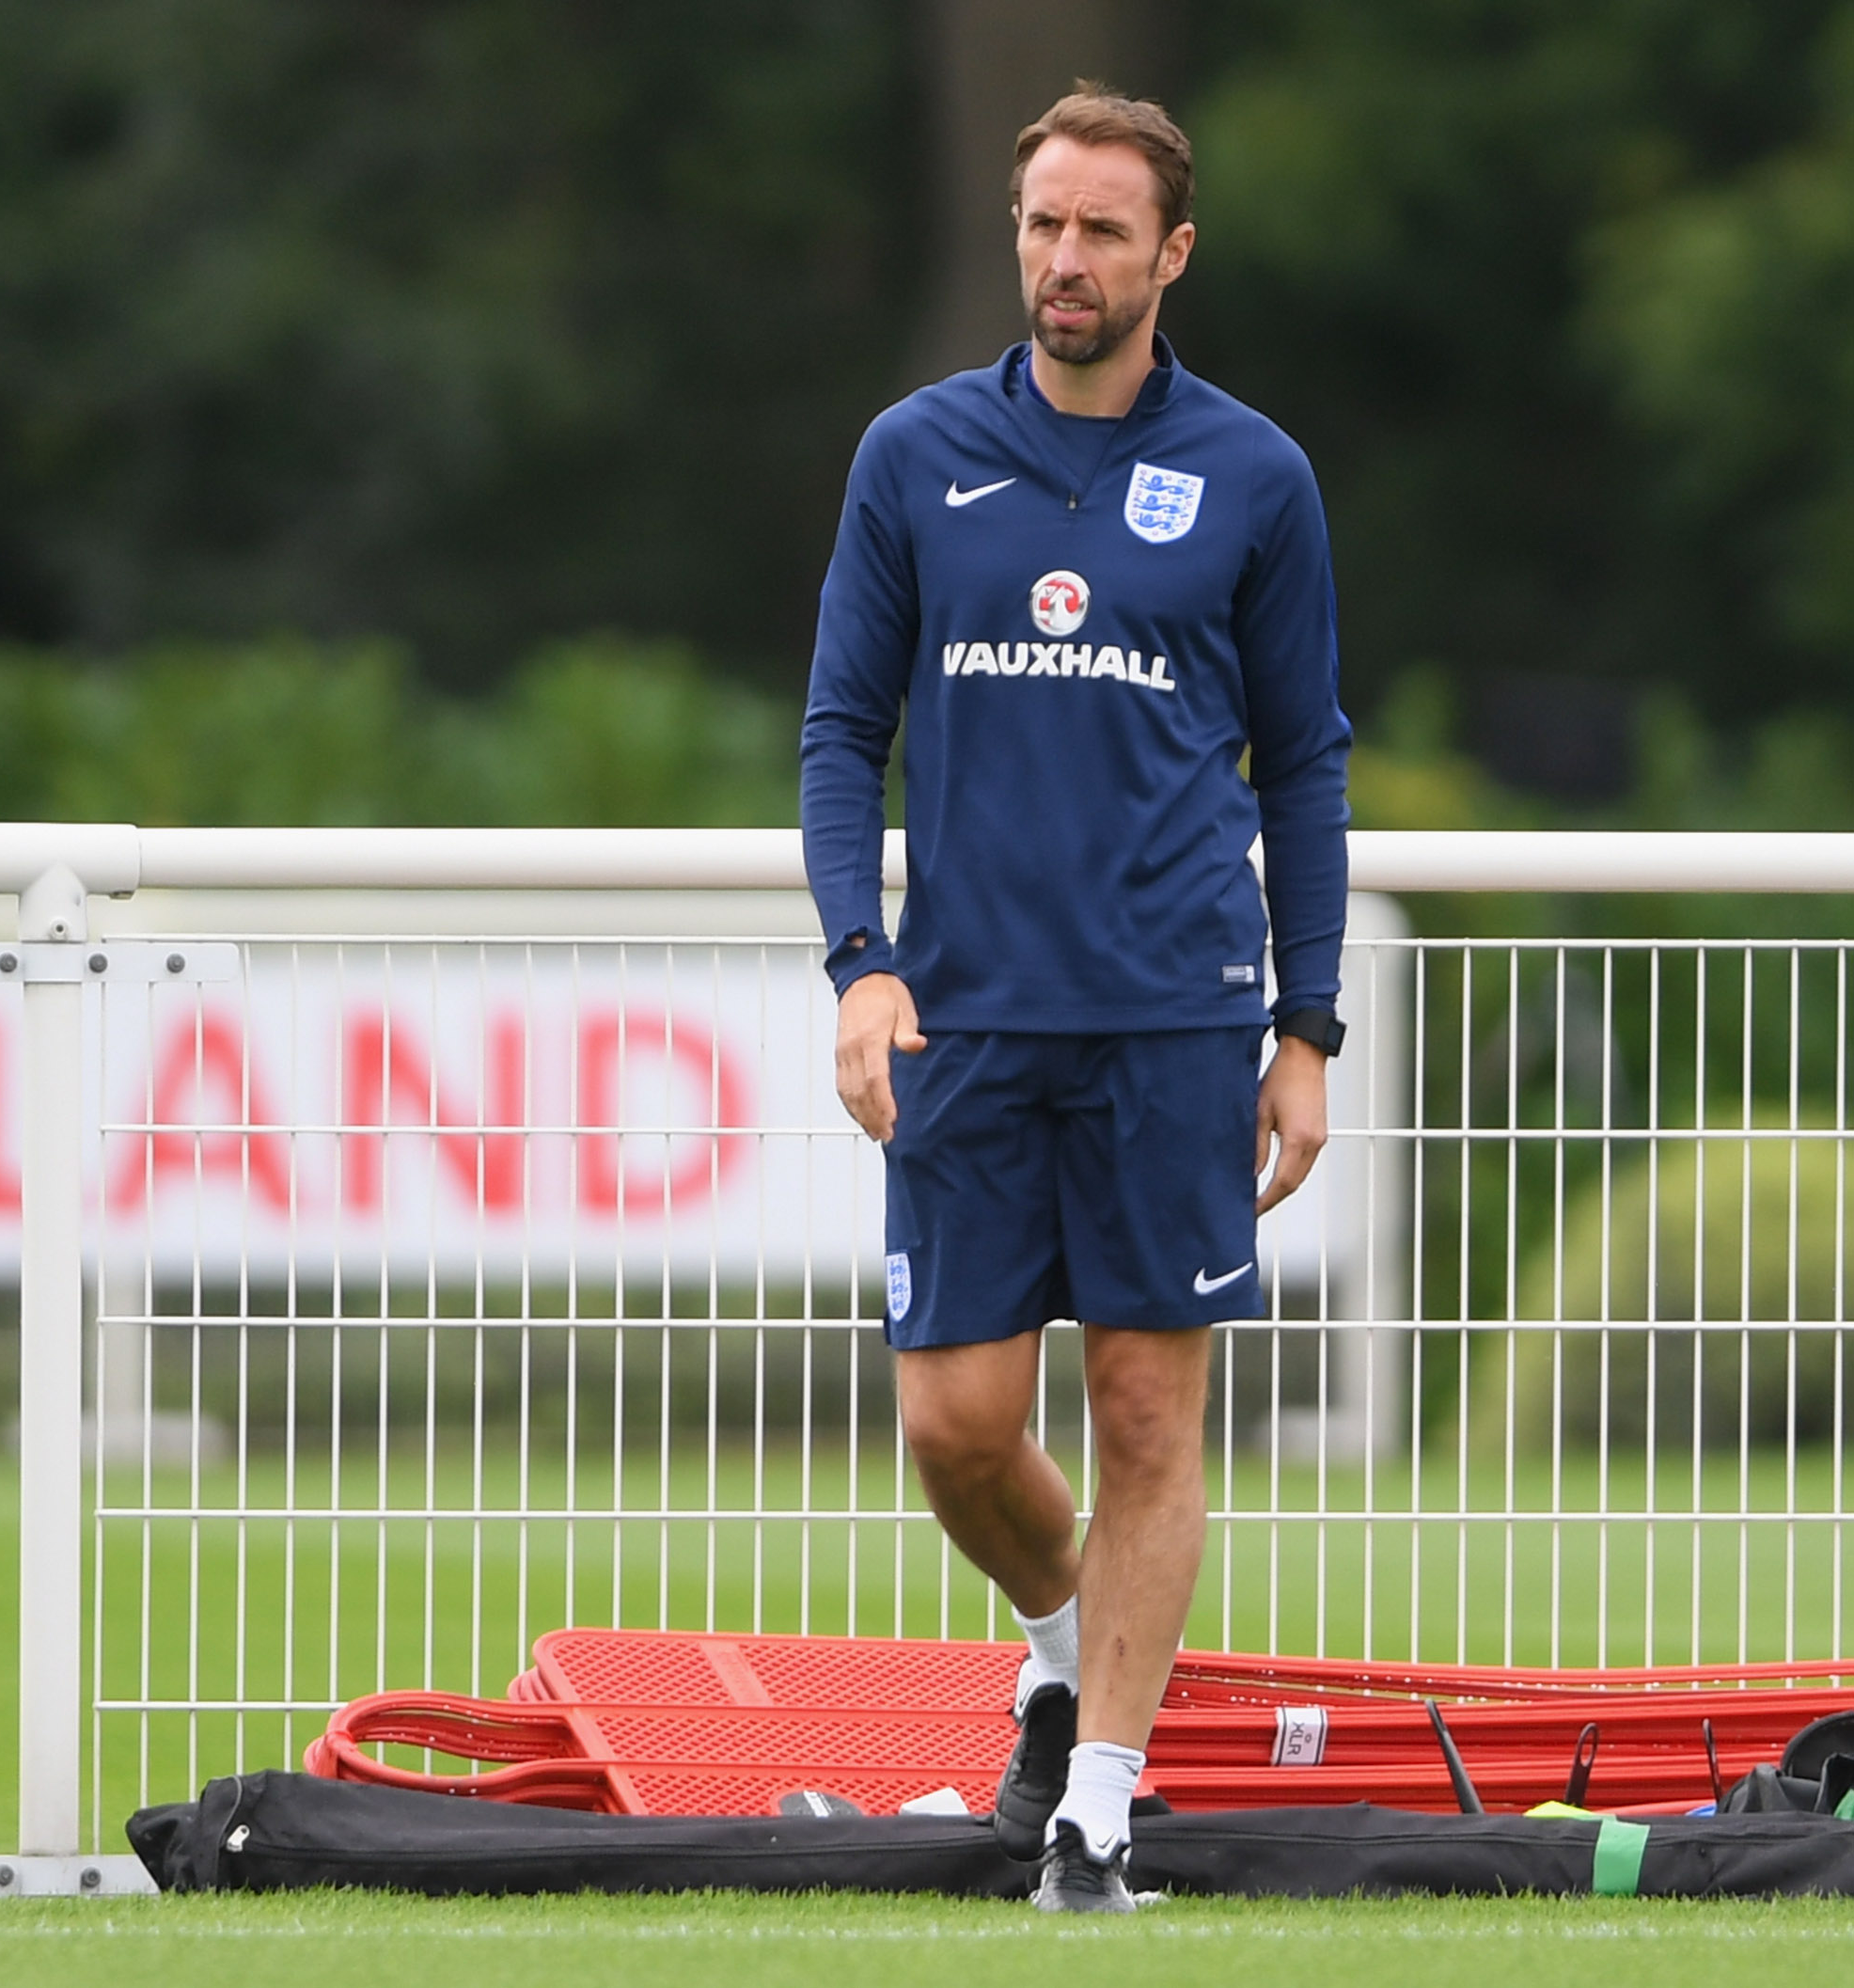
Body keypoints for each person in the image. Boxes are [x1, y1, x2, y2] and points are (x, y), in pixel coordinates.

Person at [797, 84, 1352, 1914]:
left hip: (1176, 1017)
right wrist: (859, 968)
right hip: (960, 1017)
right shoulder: (913, 454)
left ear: (1169, 254)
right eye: (1044, 223)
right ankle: (1061, 1651)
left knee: (1143, 1420)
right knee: (955, 1426)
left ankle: (1097, 1809)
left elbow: (1305, 768)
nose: (1065, 259)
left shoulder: (1258, 476)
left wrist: (1308, 1023)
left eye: (1104, 230)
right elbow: (837, 735)